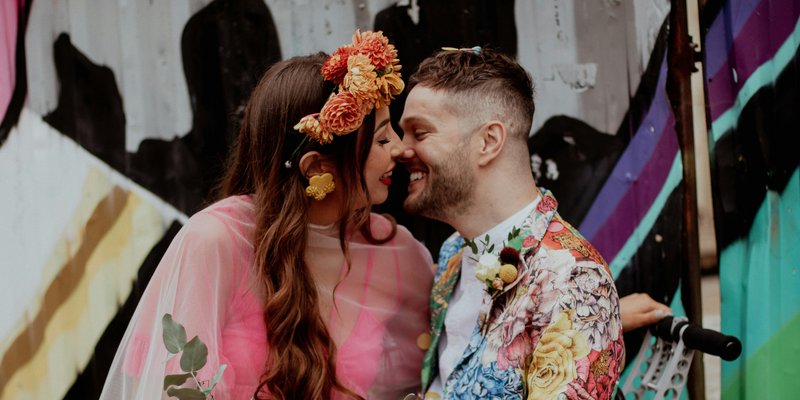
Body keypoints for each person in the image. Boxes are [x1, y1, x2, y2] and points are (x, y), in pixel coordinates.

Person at [100, 31, 433, 400]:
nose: (400, 150)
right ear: (316, 167)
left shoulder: (397, 253)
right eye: (383, 140)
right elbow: (168, 391)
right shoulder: (216, 241)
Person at [398, 47, 625, 399]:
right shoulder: (455, 250)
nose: (400, 150)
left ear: (488, 142)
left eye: (420, 132)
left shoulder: (574, 280)